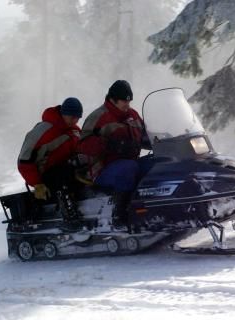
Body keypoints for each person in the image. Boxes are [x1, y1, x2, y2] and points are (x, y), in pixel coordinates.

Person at [80, 80, 149, 230]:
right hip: (101, 169)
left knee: (153, 164)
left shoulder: (132, 115)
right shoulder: (99, 117)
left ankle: (152, 209)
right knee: (128, 168)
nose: (127, 105)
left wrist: (158, 139)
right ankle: (119, 215)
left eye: (129, 101)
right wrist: (110, 145)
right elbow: (83, 145)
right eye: (124, 101)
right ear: (112, 99)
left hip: (129, 164)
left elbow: (144, 134)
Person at [17, 97, 83, 205]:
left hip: (69, 170)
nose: (75, 121)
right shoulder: (43, 131)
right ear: (63, 114)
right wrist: (37, 183)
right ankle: (67, 207)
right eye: (72, 117)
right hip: (46, 177)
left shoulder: (75, 131)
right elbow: (24, 160)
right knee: (66, 171)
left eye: (78, 118)